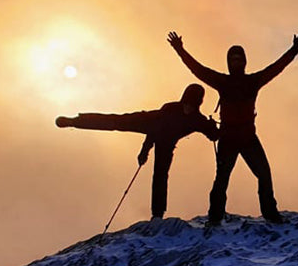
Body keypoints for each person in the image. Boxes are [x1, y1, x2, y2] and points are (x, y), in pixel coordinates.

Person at [167, 30, 298, 225]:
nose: (236, 62)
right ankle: (215, 218)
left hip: (247, 137)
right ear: (229, 62)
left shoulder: (250, 81)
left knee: (263, 174)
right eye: (233, 59)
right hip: (230, 138)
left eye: (239, 58)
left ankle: (269, 214)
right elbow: (198, 70)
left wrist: (295, 48)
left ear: (244, 61)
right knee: (222, 180)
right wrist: (180, 50)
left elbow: (277, 67)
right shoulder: (225, 82)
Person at [56, 84, 218, 219]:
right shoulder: (171, 108)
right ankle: (75, 121)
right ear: (183, 100)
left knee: (160, 174)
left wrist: (212, 127)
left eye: (192, 104)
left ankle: (157, 214)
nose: (188, 107)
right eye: (187, 103)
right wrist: (145, 151)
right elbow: (154, 130)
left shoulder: (198, 119)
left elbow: (213, 136)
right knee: (116, 121)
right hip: (148, 122)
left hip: (167, 143)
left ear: (198, 104)